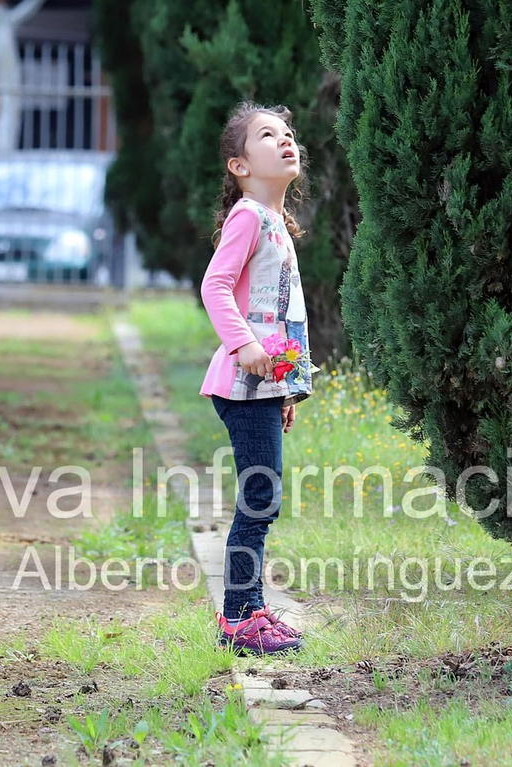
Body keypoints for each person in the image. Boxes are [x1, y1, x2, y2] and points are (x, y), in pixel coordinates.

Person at [199, 102, 313, 655]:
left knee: (262, 495)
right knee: (260, 496)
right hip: (241, 382)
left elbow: (280, 314)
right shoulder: (248, 216)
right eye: (267, 135)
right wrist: (242, 344)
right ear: (239, 165)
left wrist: (287, 385)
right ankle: (239, 618)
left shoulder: (275, 223)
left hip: (265, 385)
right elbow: (215, 286)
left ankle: (252, 608)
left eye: (288, 134)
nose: (285, 141)